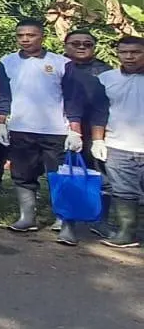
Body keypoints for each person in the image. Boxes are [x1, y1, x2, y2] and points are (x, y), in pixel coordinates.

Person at [0, 18, 85, 244]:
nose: (25, 39)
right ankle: (27, 217)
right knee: (23, 175)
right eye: (20, 36)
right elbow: (4, 96)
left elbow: (73, 99)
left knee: (61, 177)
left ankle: (65, 223)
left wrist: (75, 130)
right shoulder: (7, 62)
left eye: (31, 35)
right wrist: (2, 124)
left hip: (56, 130)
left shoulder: (62, 63)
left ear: (42, 36)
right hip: (21, 129)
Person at [89, 35, 144, 248]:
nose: (129, 57)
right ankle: (126, 233)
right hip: (118, 145)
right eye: (124, 52)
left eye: (135, 52)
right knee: (123, 191)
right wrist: (97, 141)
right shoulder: (106, 78)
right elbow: (99, 113)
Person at [62, 28, 114, 236]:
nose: (81, 47)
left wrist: (98, 138)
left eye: (87, 44)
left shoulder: (105, 71)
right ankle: (67, 223)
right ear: (66, 46)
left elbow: (105, 105)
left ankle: (101, 220)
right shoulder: (60, 68)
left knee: (103, 178)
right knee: (69, 176)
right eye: (76, 43)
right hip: (63, 130)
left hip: (98, 132)